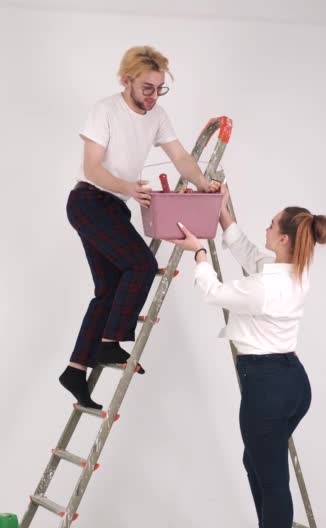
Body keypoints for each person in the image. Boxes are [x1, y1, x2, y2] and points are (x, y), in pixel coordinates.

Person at [172, 186, 326, 528]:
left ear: (282, 238)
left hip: (268, 387)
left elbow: (213, 293)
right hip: (289, 382)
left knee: (272, 475)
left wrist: (199, 252)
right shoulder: (288, 268)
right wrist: (224, 215)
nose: (266, 226)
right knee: (257, 463)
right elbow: (248, 252)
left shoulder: (266, 286)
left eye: (271, 224)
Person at [59, 46, 217, 410]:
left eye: (160, 88)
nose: (153, 96)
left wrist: (203, 183)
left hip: (113, 207)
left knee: (108, 289)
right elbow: (92, 169)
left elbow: (180, 156)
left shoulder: (157, 114)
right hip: (88, 202)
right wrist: (129, 187)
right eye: (147, 87)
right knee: (142, 265)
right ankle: (111, 341)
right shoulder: (105, 111)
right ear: (126, 81)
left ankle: (75, 368)